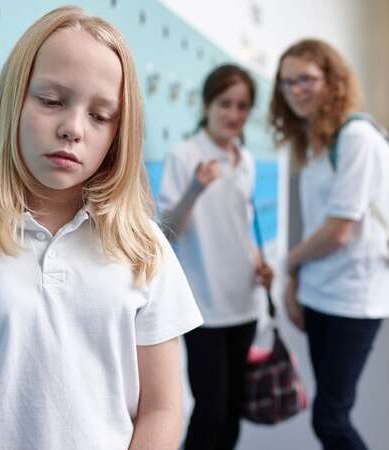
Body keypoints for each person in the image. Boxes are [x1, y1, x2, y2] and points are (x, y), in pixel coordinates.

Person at [0, 7, 203, 449]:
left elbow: (163, 409)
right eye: (51, 101)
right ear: (15, 99)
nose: (72, 129)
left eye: (101, 116)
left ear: (119, 135)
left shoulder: (142, 248)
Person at [269, 39, 389, 450]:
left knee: (330, 417)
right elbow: (317, 226)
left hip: (356, 294)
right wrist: (298, 285)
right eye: (287, 82)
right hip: (323, 289)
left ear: (333, 81)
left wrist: (289, 265)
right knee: (329, 411)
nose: (296, 90)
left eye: (307, 79)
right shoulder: (315, 143)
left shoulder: (357, 138)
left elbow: (339, 230)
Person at [158, 64, 274, 450]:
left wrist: (259, 261)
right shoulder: (185, 154)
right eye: (225, 103)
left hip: (244, 300)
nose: (234, 114)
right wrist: (195, 187)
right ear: (207, 104)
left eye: (243, 106)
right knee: (209, 409)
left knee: (232, 413)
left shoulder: (246, 160)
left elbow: (244, 224)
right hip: (204, 305)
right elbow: (167, 229)